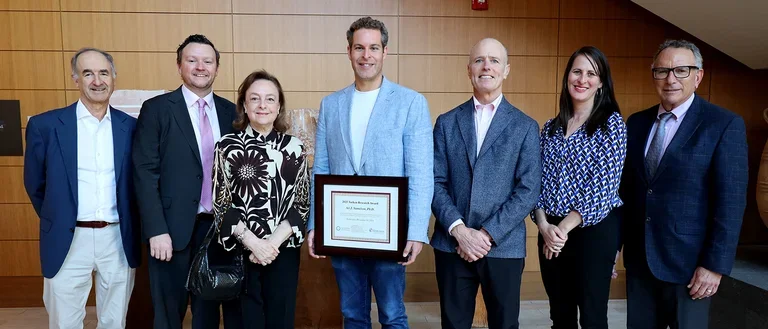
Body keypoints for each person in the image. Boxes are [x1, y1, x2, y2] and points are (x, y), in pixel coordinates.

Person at [305, 16, 434, 329]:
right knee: (352, 315)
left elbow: (421, 173)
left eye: (373, 48)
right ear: (348, 51)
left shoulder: (411, 103)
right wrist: (314, 224)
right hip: (341, 232)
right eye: (359, 48)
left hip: (389, 234)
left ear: (385, 52)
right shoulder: (331, 104)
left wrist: (416, 230)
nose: (366, 55)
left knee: (392, 315)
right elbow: (320, 170)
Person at [621, 39, 748, 329]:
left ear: (698, 76)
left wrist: (714, 266)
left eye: (681, 71)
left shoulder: (723, 124)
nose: (670, 79)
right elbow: (628, 192)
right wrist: (614, 246)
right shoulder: (636, 123)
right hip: (641, 262)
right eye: (662, 71)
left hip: (691, 268)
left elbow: (731, 202)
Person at [24, 48, 141, 329]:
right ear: (75, 78)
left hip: (117, 238)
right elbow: (35, 184)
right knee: (65, 321)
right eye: (88, 73)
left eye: (103, 73)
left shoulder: (134, 128)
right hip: (67, 238)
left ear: (113, 77)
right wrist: (59, 217)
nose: (97, 80)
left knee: (114, 320)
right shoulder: (46, 126)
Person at [132, 34, 242, 329]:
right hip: (170, 231)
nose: (200, 67)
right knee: (168, 314)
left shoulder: (231, 112)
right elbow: (144, 171)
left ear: (217, 67)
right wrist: (156, 230)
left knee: (207, 315)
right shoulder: (157, 109)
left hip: (217, 231)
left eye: (207, 61)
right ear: (179, 66)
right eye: (192, 60)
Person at [431, 37, 542, 329]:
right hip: (451, 243)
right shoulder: (446, 122)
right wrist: (459, 230)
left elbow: (528, 190)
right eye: (479, 60)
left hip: (504, 245)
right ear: (469, 70)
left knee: (504, 324)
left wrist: (486, 234)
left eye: (494, 60)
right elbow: (434, 181)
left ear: (506, 70)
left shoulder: (526, 126)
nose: (486, 66)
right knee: (453, 324)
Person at [533, 46, 626, 329]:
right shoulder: (550, 127)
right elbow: (533, 182)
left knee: (592, 315)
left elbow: (603, 187)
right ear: (567, 77)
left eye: (591, 73)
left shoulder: (612, 125)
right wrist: (544, 226)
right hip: (550, 232)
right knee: (559, 314)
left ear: (601, 82)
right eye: (577, 71)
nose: (582, 79)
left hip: (592, 232)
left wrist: (562, 230)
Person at [212, 70, 309, 329]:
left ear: (279, 106)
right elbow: (221, 203)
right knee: (244, 321)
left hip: (283, 251)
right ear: (244, 105)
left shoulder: (295, 147)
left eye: (269, 99)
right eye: (255, 99)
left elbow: (302, 202)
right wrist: (254, 244)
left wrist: (271, 244)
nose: (262, 105)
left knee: (281, 319)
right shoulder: (226, 146)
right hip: (241, 251)